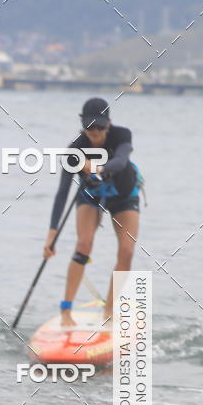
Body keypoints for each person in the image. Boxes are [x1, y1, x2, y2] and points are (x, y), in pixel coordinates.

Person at [43, 97, 142, 327]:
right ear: (82, 125)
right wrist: (51, 235)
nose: (95, 131)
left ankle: (109, 311)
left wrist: (97, 167)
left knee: (127, 251)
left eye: (99, 126)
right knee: (83, 244)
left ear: (109, 124)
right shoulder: (75, 150)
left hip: (124, 196)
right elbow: (62, 193)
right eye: (89, 127)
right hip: (91, 196)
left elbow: (121, 161)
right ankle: (66, 312)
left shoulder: (122, 135)